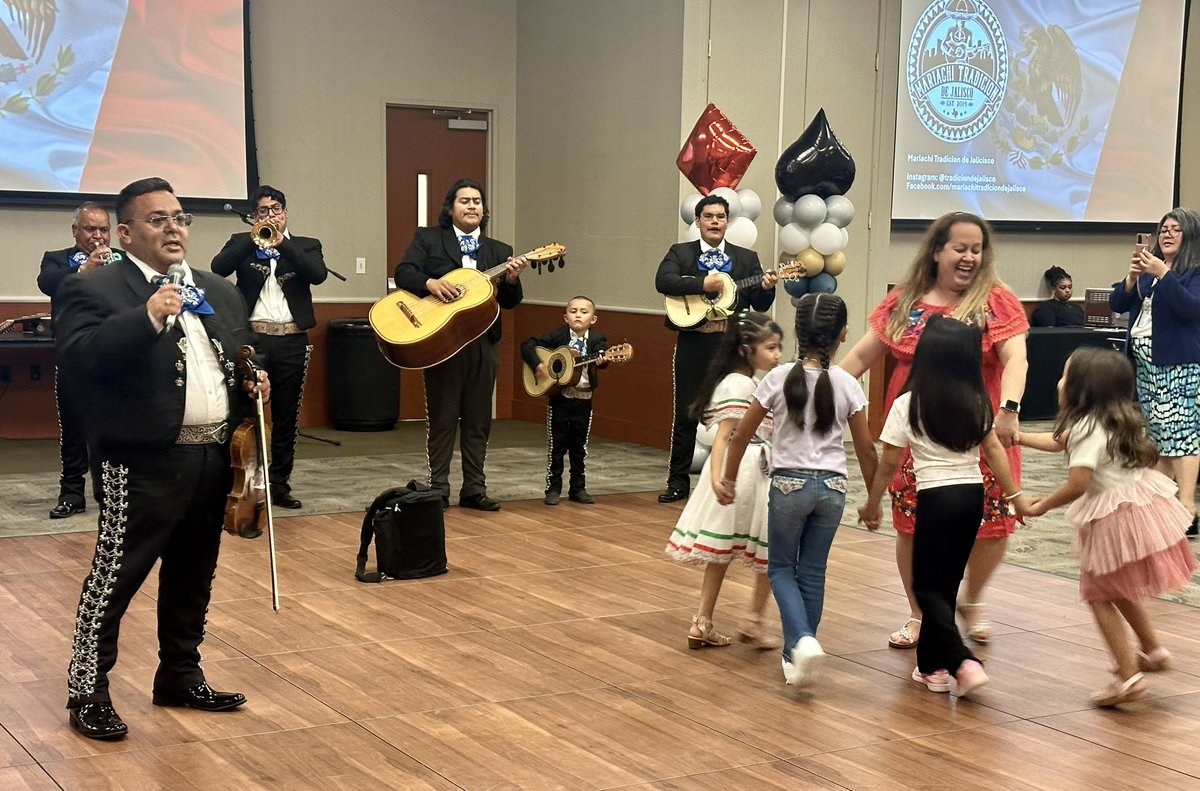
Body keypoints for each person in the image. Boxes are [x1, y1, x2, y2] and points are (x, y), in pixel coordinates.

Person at [54, 177, 267, 741]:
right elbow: (80, 361)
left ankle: (179, 674)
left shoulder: (218, 289)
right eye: (158, 220)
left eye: (179, 218)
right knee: (115, 578)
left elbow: (233, 355)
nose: (174, 228)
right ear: (125, 233)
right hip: (140, 461)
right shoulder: (95, 289)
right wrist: (148, 315)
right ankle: (87, 691)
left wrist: (251, 379)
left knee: (194, 574)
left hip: (213, 457)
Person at [841, 211, 1028, 650]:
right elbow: (856, 362)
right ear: (937, 251)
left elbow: (1015, 358)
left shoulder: (996, 300)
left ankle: (972, 600)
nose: (969, 258)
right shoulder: (905, 301)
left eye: (976, 250)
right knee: (912, 525)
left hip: (979, 429)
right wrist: (814, 395)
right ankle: (920, 613)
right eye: (960, 249)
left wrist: (1009, 409)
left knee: (994, 521)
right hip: (916, 430)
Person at [1017, 347, 1197, 707]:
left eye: (1066, 375)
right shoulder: (1115, 417)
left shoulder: (1085, 428)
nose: (1059, 382)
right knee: (1119, 588)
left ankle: (1128, 677)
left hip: (1114, 520)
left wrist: (1042, 506)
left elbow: (1078, 483)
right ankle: (1152, 649)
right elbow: (1057, 443)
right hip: (1139, 510)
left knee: (1098, 594)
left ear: (1082, 388)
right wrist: (1018, 437)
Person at [717, 294, 878, 688]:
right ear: (843, 335)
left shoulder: (776, 378)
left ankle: (802, 642)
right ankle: (797, 654)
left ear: (797, 333)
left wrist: (729, 478)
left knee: (781, 568)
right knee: (813, 571)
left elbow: (740, 434)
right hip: (833, 489)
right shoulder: (847, 383)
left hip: (789, 486)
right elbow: (866, 449)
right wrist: (874, 501)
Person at [859, 316, 1025, 698]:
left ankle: (962, 661)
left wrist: (871, 504)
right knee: (945, 585)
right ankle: (931, 668)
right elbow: (994, 451)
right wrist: (1014, 496)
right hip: (971, 499)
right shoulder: (977, 399)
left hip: (935, 499)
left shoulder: (907, 403)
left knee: (926, 586)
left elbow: (888, 462)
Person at [393, 178, 528, 511]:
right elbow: (404, 271)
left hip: (484, 343)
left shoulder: (500, 251)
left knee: (478, 419)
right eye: (465, 201)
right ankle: (439, 487)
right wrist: (431, 283)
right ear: (450, 208)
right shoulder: (428, 239)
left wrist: (511, 280)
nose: (472, 206)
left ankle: (474, 489)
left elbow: (510, 302)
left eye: (477, 202)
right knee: (442, 418)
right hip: (443, 343)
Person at [664, 312, 782, 651]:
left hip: (745, 467)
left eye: (778, 348)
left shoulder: (748, 382)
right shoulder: (740, 384)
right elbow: (724, 436)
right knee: (767, 549)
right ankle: (753, 620)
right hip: (747, 470)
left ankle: (703, 620)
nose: (776, 355)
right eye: (770, 347)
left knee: (723, 552)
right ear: (747, 349)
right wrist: (718, 478)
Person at [211, 185, 328, 509]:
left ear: (285, 212)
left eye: (275, 209)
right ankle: (243, 482)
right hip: (253, 340)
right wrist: (253, 237)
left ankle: (279, 484)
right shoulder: (241, 243)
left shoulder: (306, 246)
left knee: (287, 417)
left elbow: (317, 275)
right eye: (263, 211)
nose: (270, 216)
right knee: (246, 413)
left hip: (292, 339)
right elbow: (219, 268)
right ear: (254, 215)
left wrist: (283, 244)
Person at [654, 195, 777, 503]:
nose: (714, 222)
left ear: (727, 222)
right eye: (708, 216)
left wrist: (767, 287)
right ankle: (678, 481)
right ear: (698, 222)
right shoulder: (680, 253)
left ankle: (731, 479)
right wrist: (702, 285)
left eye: (720, 217)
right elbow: (663, 281)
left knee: (736, 412)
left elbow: (760, 304)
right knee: (686, 412)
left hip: (731, 346)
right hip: (694, 341)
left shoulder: (746, 258)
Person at [1109, 208, 1200, 538]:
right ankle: (1161, 506)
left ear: (1188, 236)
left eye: (1175, 229)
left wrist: (1164, 274)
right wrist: (1132, 278)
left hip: (1179, 363)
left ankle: (1188, 507)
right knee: (1160, 435)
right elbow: (1117, 304)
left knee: (1181, 431)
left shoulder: (1193, 272)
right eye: (1164, 229)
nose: (1167, 234)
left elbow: (1190, 309)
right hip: (1146, 365)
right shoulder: (1147, 271)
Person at [37, 202, 125, 519]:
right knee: (73, 430)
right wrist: (83, 270)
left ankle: (113, 493)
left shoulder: (123, 261)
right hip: (74, 358)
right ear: (76, 231)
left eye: (104, 229)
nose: (98, 236)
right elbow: (47, 284)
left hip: (114, 357)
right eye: (91, 229)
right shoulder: (57, 260)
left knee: (115, 429)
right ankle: (72, 493)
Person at [520, 295, 608, 506]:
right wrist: (538, 365)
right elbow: (528, 345)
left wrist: (604, 360)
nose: (578, 315)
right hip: (560, 399)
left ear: (593, 319)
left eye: (584, 312)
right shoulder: (558, 336)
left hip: (584, 400)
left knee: (579, 446)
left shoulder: (598, 340)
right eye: (573, 311)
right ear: (565, 317)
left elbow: (603, 361)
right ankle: (553, 488)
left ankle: (578, 487)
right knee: (557, 446)